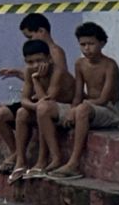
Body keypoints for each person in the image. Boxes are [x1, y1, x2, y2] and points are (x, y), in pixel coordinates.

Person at [45, 22, 119, 180]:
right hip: (87, 108)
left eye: (91, 44)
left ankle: (74, 163)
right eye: (83, 44)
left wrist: (78, 108)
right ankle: (55, 158)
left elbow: (103, 99)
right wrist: (72, 108)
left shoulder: (110, 66)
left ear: (102, 43)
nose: (87, 48)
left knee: (82, 110)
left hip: (108, 110)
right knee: (44, 108)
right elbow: (78, 94)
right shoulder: (79, 64)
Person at [0, 13, 68, 171]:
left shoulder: (56, 53)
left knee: (28, 112)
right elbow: (34, 80)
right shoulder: (33, 63)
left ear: (41, 31)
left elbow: (54, 83)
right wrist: (18, 74)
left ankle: (34, 159)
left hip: (48, 101)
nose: (29, 41)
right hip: (36, 100)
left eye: (30, 36)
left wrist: (37, 101)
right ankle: (17, 154)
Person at [9, 39, 77, 182]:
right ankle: (20, 161)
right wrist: (33, 105)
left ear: (49, 59)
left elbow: (46, 99)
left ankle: (52, 158)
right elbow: (25, 100)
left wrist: (36, 80)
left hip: (67, 109)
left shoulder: (58, 72)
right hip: (46, 109)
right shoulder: (29, 71)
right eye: (30, 62)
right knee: (22, 113)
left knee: (42, 109)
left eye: (39, 60)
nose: (35, 65)